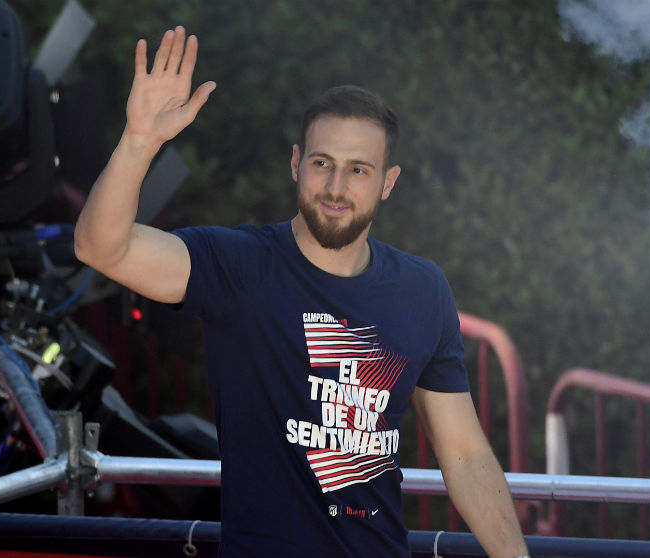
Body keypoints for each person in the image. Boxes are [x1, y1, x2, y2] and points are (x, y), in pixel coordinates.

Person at [74, 26, 530, 558]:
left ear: (388, 181)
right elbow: (101, 248)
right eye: (322, 163)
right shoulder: (238, 266)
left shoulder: (422, 288)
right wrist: (140, 140)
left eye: (358, 170)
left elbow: (466, 454)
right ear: (296, 163)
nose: (336, 187)